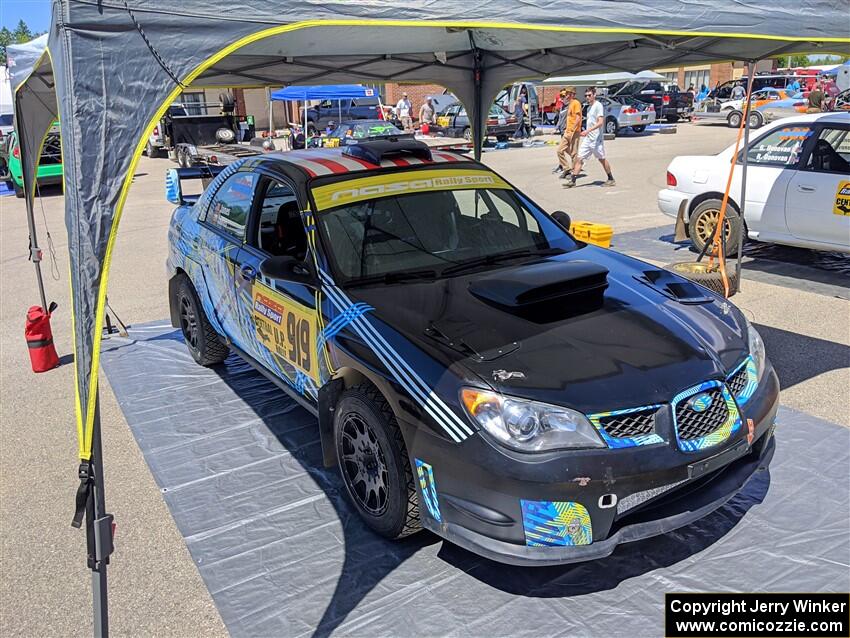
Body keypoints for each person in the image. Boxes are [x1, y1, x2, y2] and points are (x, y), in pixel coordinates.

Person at [565, 87, 615, 188]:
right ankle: (573, 181)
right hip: (588, 139)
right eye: (586, 96)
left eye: (589, 95)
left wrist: (588, 131)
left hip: (596, 139)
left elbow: (600, 122)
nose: (587, 97)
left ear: (594, 95)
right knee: (579, 158)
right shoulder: (588, 108)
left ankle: (611, 178)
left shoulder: (598, 106)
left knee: (601, 159)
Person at [552, 86, 582, 177]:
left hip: (574, 131)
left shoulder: (576, 103)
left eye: (569, 94)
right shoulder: (569, 104)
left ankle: (573, 172)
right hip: (567, 131)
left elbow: (578, 117)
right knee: (559, 151)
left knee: (573, 153)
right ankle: (566, 168)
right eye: (566, 94)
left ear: (573, 94)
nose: (567, 95)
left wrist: (573, 128)